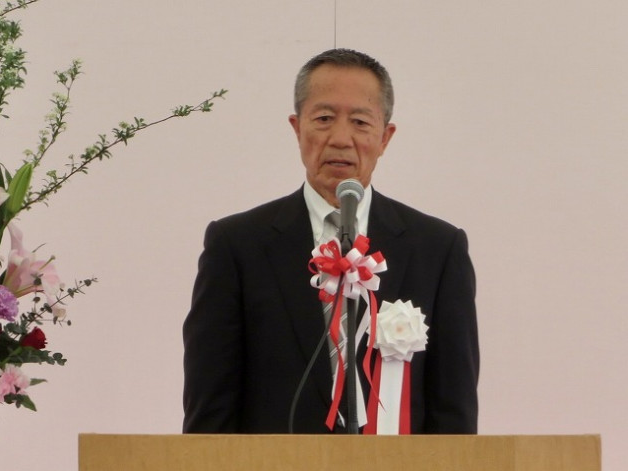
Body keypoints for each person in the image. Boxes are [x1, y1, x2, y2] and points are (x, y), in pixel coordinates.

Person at [183, 48, 479, 434]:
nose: (340, 138)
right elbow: (209, 415)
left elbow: (454, 415)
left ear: (385, 137)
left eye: (360, 122)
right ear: (297, 128)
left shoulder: (438, 249)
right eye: (324, 119)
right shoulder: (236, 246)